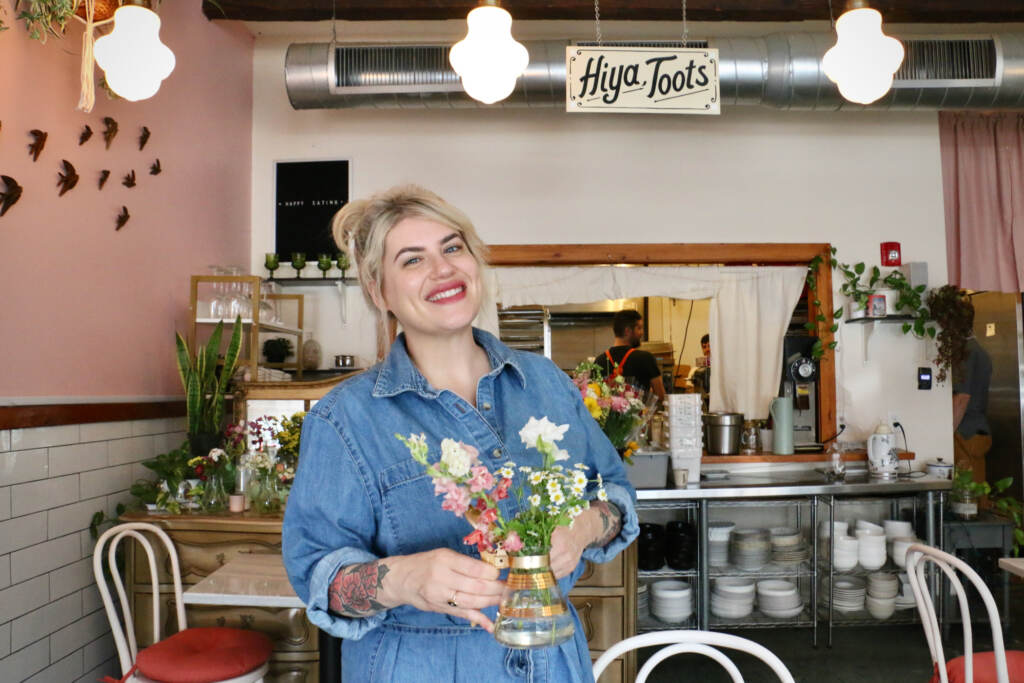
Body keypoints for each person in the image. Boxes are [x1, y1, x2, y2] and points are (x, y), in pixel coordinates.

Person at [282, 185, 639, 682]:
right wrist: (400, 580)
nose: (443, 268)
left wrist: (583, 529)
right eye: (412, 260)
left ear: (475, 260)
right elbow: (318, 575)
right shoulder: (344, 419)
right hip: (418, 668)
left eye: (453, 247)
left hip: (554, 663)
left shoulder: (547, 384)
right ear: (378, 291)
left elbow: (616, 496)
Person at [952, 301, 992, 494]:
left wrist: (945, 433)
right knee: (976, 493)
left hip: (965, 434)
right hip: (978, 430)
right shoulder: (979, 351)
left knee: (967, 496)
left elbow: (962, 398)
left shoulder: (966, 353)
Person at [593, 309, 667, 402]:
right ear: (627, 331)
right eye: (639, 328)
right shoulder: (646, 358)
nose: (642, 333)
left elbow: (594, 396)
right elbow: (661, 396)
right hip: (640, 416)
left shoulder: (599, 361)